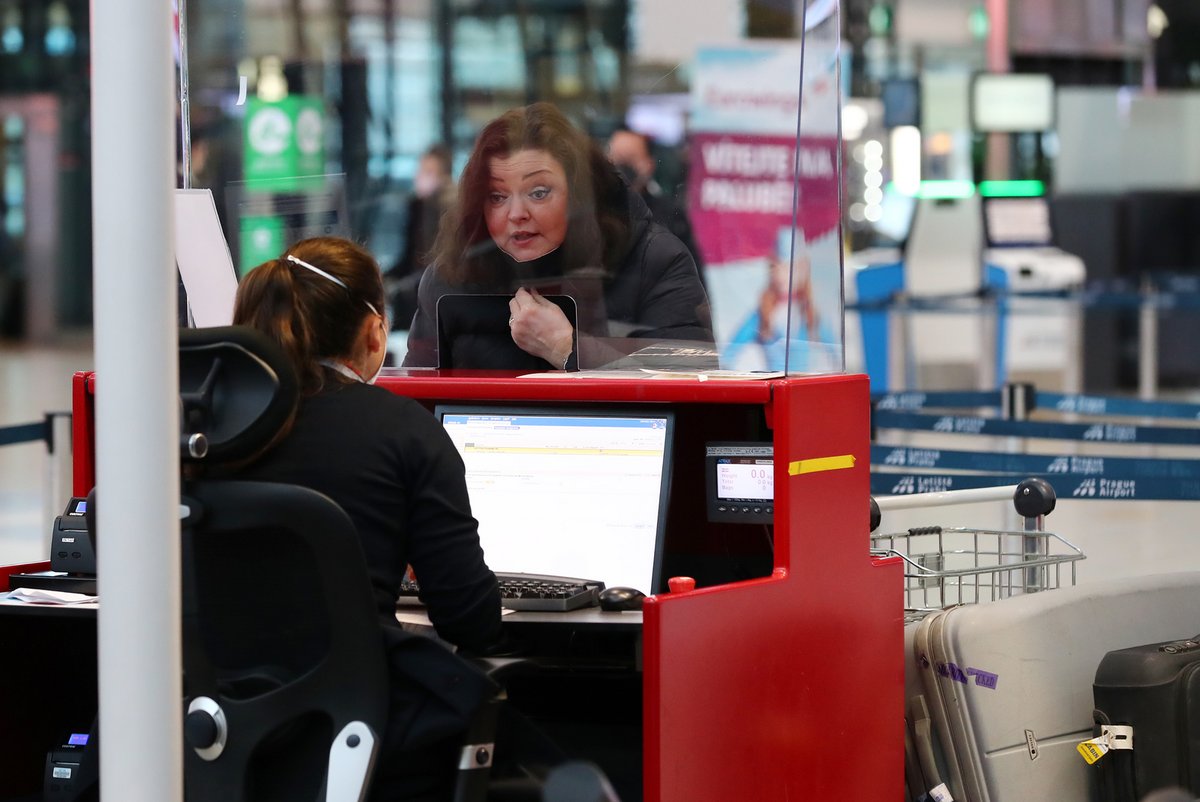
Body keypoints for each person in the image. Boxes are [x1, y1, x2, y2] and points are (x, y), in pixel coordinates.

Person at [230, 236, 505, 801]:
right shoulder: (403, 431)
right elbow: (471, 621)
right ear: (374, 332)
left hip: (212, 728)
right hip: (358, 736)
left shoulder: (204, 433)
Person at [401, 102, 713, 370]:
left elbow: (692, 379)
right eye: (497, 197)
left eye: (538, 193)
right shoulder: (451, 276)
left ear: (579, 197)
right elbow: (418, 406)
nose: (516, 213)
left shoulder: (652, 260)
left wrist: (568, 349)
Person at [607, 126, 707, 288]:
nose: (621, 168)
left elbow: (692, 278)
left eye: (629, 160)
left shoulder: (669, 214)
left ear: (649, 165)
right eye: (615, 159)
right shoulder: (594, 211)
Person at [388, 144, 455, 329]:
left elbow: (440, 263)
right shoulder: (418, 206)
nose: (418, 177)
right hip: (417, 286)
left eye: (428, 172)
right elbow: (409, 256)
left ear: (444, 177)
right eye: (420, 170)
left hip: (435, 293)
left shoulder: (450, 209)